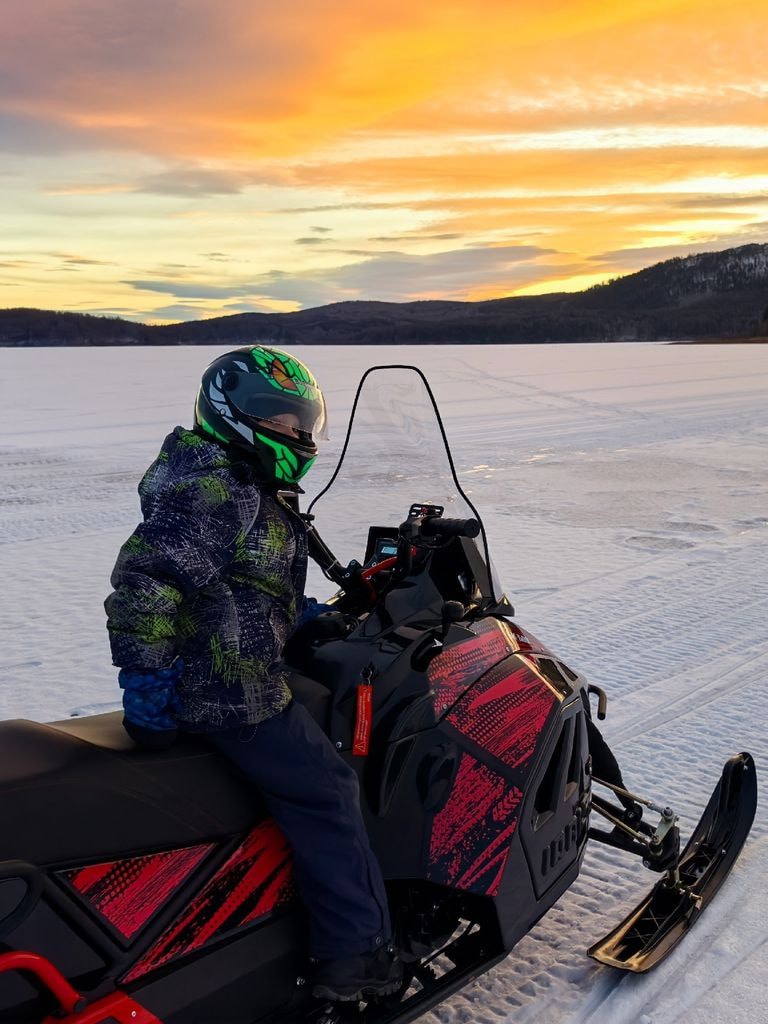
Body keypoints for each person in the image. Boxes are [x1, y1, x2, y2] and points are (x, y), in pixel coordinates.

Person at [105, 345, 401, 1002]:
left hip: (240, 672)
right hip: (229, 695)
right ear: (232, 415)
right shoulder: (214, 492)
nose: (296, 435)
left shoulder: (241, 484)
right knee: (328, 795)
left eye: (302, 421)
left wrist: (306, 618)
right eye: (280, 419)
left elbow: (245, 586)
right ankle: (357, 956)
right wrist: (145, 686)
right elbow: (147, 585)